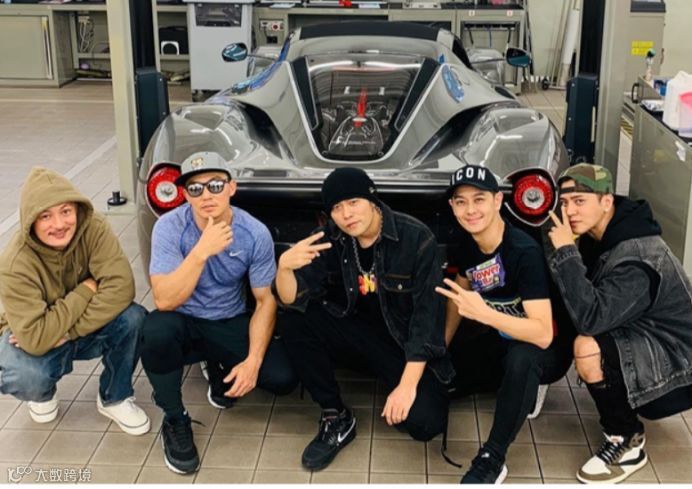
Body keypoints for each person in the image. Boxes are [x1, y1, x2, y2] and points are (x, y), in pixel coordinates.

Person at [275, 167, 453, 471]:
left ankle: (402, 383)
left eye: (353, 202)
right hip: (355, 333)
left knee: (424, 423)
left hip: (401, 344)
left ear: (372, 200)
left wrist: (407, 386)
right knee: (296, 319)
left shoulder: (415, 238)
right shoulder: (330, 238)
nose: (346, 214)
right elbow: (291, 298)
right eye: (336, 207)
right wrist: (284, 268)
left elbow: (427, 321)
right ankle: (335, 416)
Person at [140, 151, 298, 475]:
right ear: (185, 195)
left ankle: (216, 364)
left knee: (282, 378)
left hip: (228, 318)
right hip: (182, 320)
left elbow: (265, 300)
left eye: (215, 185)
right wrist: (201, 251)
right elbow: (164, 300)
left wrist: (253, 361)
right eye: (195, 188)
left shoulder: (254, 232)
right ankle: (174, 418)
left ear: (231, 187)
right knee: (154, 332)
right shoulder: (169, 227)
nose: (206, 195)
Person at [547, 163, 692, 484]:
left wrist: (566, 252)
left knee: (587, 347)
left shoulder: (637, 257)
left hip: (678, 366)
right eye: (565, 203)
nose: (570, 211)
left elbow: (590, 318)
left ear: (607, 201)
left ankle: (626, 439)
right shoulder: (602, 234)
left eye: (580, 201)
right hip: (645, 334)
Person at [435, 165, 573, 484]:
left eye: (479, 199)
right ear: (452, 207)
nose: (470, 210)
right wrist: (441, 349)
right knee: (446, 379)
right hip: (500, 337)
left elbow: (542, 333)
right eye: (461, 202)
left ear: (498, 201)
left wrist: (484, 314)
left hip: (545, 347)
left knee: (522, 359)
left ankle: (493, 458)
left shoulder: (523, 251)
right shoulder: (467, 243)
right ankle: (510, 387)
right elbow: (458, 298)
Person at [0, 167, 149, 435]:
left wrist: (67, 332)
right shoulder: (14, 263)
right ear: (30, 221)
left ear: (77, 209)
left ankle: (114, 396)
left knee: (134, 318)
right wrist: (85, 290)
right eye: (45, 216)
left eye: (66, 211)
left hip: (64, 329)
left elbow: (121, 287)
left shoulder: (93, 228)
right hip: (32, 335)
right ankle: (42, 393)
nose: (59, 224)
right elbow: (34, 338)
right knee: (24, 374)